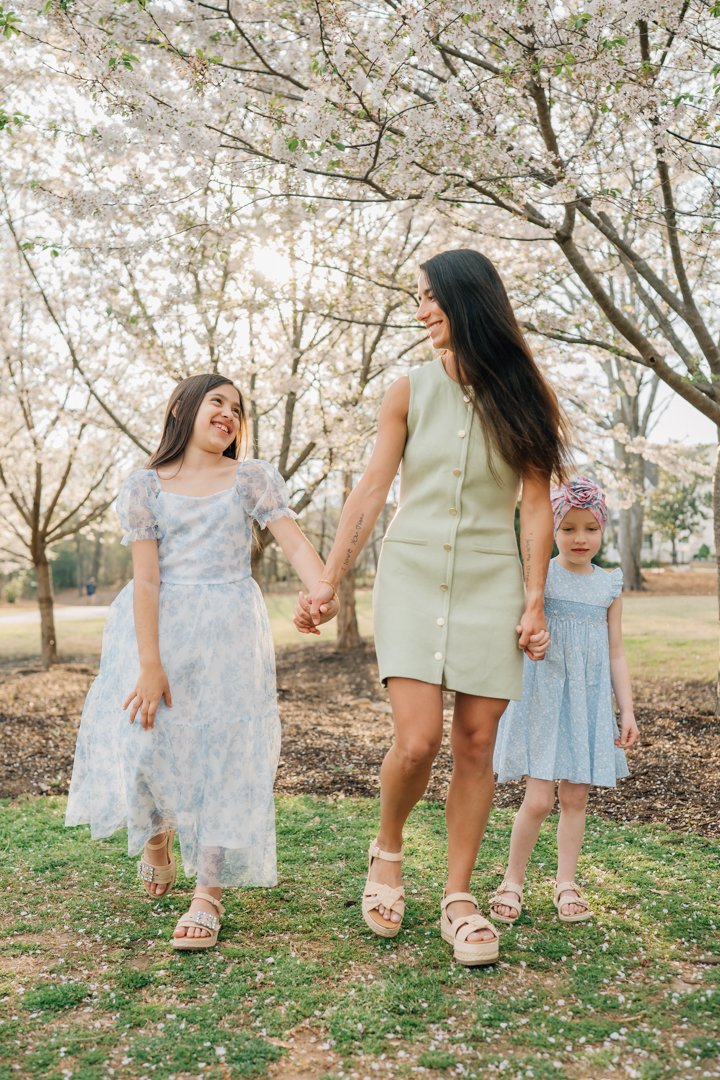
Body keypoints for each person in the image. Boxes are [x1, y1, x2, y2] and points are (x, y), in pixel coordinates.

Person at [295, 249, 571, 966]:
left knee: (477, 743)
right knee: (417, 741)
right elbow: (370, 489)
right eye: (417, 299)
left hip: (492, 583)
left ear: (466, 301)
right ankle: (386, 851)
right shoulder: (408, 390)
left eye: (429, 299)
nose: (420, 312)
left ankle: (458, 896)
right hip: (412, 576)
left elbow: (536, 506)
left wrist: (536, 599)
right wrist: (329, 579)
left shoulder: (527, 396)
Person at [66, 373, 337, 950]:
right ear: (182, 409)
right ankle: (156, 836)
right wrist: (149, 663)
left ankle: (208, 892)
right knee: (144, 744)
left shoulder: (250, 478)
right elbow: (145, 578)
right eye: (218, 401)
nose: (229, 414)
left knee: (221, 754)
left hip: (229, 634)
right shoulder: (146, 486)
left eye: (238, 408)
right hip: (157, 630)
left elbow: (291, 541)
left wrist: (320, 589)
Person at [490, 477, 639, 926]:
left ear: (602, 531)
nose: (580, 538)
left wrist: (626, 709)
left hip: (587, 704)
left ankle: (566, 882)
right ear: (552, 528)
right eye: (569, 527)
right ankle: (512, 881)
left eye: (590, 528)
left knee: (576, 798)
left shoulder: (609, 585)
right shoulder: (540, 577)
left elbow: (617, 651)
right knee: (537, 800)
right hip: (543, 698)